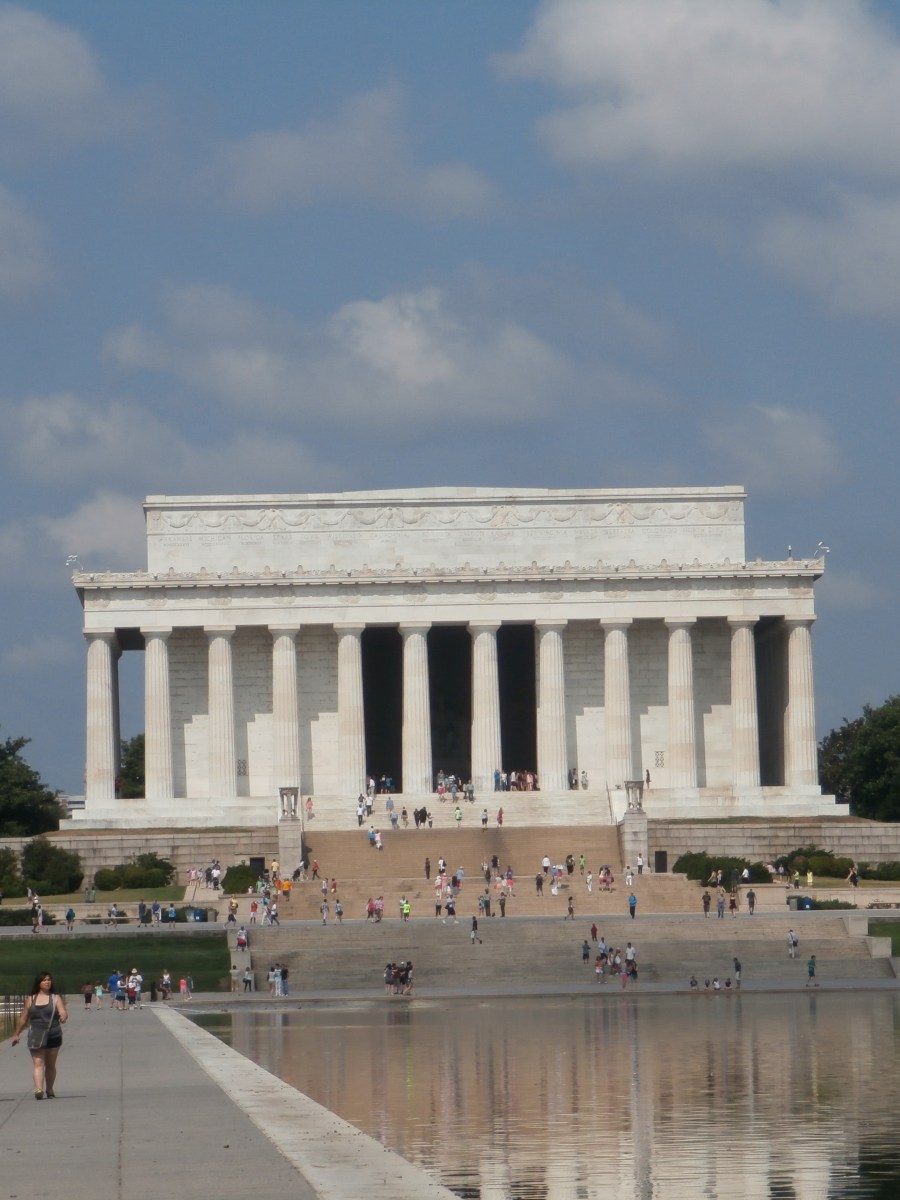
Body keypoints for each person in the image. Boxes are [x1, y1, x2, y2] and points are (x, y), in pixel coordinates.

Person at [11, 973, 69, 1099]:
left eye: (49, 980)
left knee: (50, 1064)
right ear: (39, 983)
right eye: (44, 980)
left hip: (53, 1033)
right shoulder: (31, 999)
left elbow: (63, 1011)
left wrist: (63, 1016)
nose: (47, 982)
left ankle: (49, 1088)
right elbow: (23, 1018)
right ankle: (38, 1089)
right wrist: (17, 1034)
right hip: (36, 1034)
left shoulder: (55, 998)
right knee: (38, 1063)